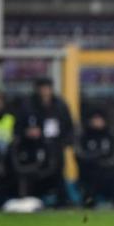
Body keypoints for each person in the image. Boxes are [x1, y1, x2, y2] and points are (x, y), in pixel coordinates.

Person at [15, 78, 74, 206]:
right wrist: (27, 133)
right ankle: (33, 200)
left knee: (58, 174)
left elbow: (69, 127)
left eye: (47, 88)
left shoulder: (60, 105)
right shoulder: (27, 105)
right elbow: (18, 128)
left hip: (55, 148)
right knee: (34, 173)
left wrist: (64, 142)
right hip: (33, 147)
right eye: (42, 88)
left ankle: (61, 203)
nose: (45, 91)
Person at [75, 110, 114, 208]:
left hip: (107, 177)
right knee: (88, 198)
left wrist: (96, 160)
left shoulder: (110, 135)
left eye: (99, 119)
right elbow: (79, 156)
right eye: (95, 119)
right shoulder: (84, 135)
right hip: (89, 178)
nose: (98, 122)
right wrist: (98, 156)